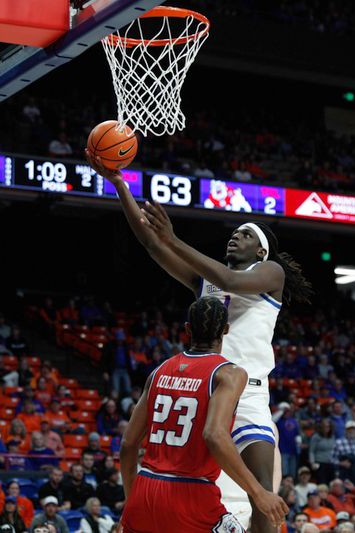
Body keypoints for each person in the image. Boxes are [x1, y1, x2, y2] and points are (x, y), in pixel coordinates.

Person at [87, 155, 312, 533]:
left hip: (250, 396)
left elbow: (230, 279)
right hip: (207, 392)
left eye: (245, 234)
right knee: (203, 498)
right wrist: (120, 185)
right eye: (234, 232)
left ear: (260, 251)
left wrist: (173, 237)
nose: (234, 236)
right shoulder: (204, 282)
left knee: (262, 496)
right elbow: (151, 244)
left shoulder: (269, 273)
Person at [118, 297, 288, 532]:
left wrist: (132, 500)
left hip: (145, 489)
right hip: (192, 493)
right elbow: (214, 435)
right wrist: (259, 493)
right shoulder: (229, 374)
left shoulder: (158, 372)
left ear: (187, 329)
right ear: (226, 330)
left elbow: (128, 444)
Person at [331, 420, 355, 486]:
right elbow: (331, 460)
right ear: (345, 431)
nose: (352, 431)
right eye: (349, 429)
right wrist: (341, 463)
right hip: (345, 478)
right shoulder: (338, 442)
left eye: (353, 429)